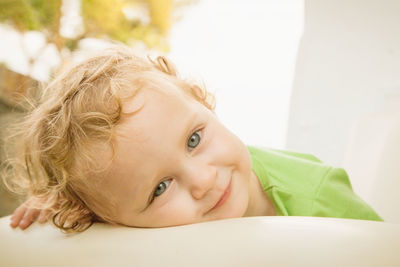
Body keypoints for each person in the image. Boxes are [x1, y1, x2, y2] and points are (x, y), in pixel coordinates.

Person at [4, 45, 382, 233]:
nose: (204, 181)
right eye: (160, 188)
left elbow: (381, 250)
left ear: (204, 103)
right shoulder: (114, 219)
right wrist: (59, 211)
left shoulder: (320, 200)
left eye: (194, 140)